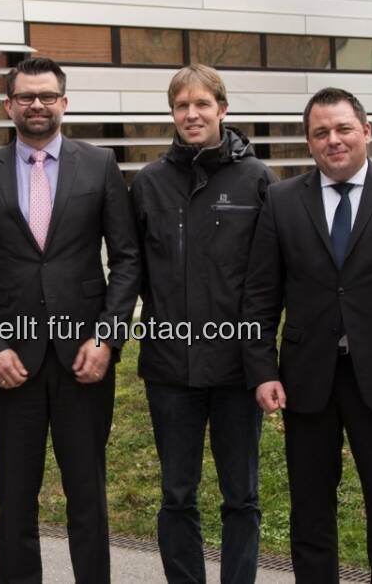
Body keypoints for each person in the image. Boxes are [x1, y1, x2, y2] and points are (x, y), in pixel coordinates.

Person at [243, 87, 372, 583]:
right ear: (309, 142)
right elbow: (259, 298)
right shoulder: (280, 201)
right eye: (321, 133)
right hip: (307, 380)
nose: (333, 140)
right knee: (311, 512)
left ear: (366, 132)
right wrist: (262, 369)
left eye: (343, 129)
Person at [0, 56, 140, 583]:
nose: (37, 105)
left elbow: (127, 259)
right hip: (13, 362)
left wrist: (107, 338)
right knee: (14, 498)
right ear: (8, 105)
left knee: (88, 497)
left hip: (86, 358)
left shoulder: (100, 165)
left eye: (47, 95)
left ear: (64, 102)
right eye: (26, 96)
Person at [129, 65, 276, 583]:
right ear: (172, 113)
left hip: (237, 367)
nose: (191, 115)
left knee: (242, 496)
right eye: (181, 106)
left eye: (202, 105)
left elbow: (269, 277)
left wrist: (263, 359)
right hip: (170, 369)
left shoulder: (256, 179)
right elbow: (132, 270)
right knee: (176, 495)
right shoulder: (148, 184)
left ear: (223, 110)